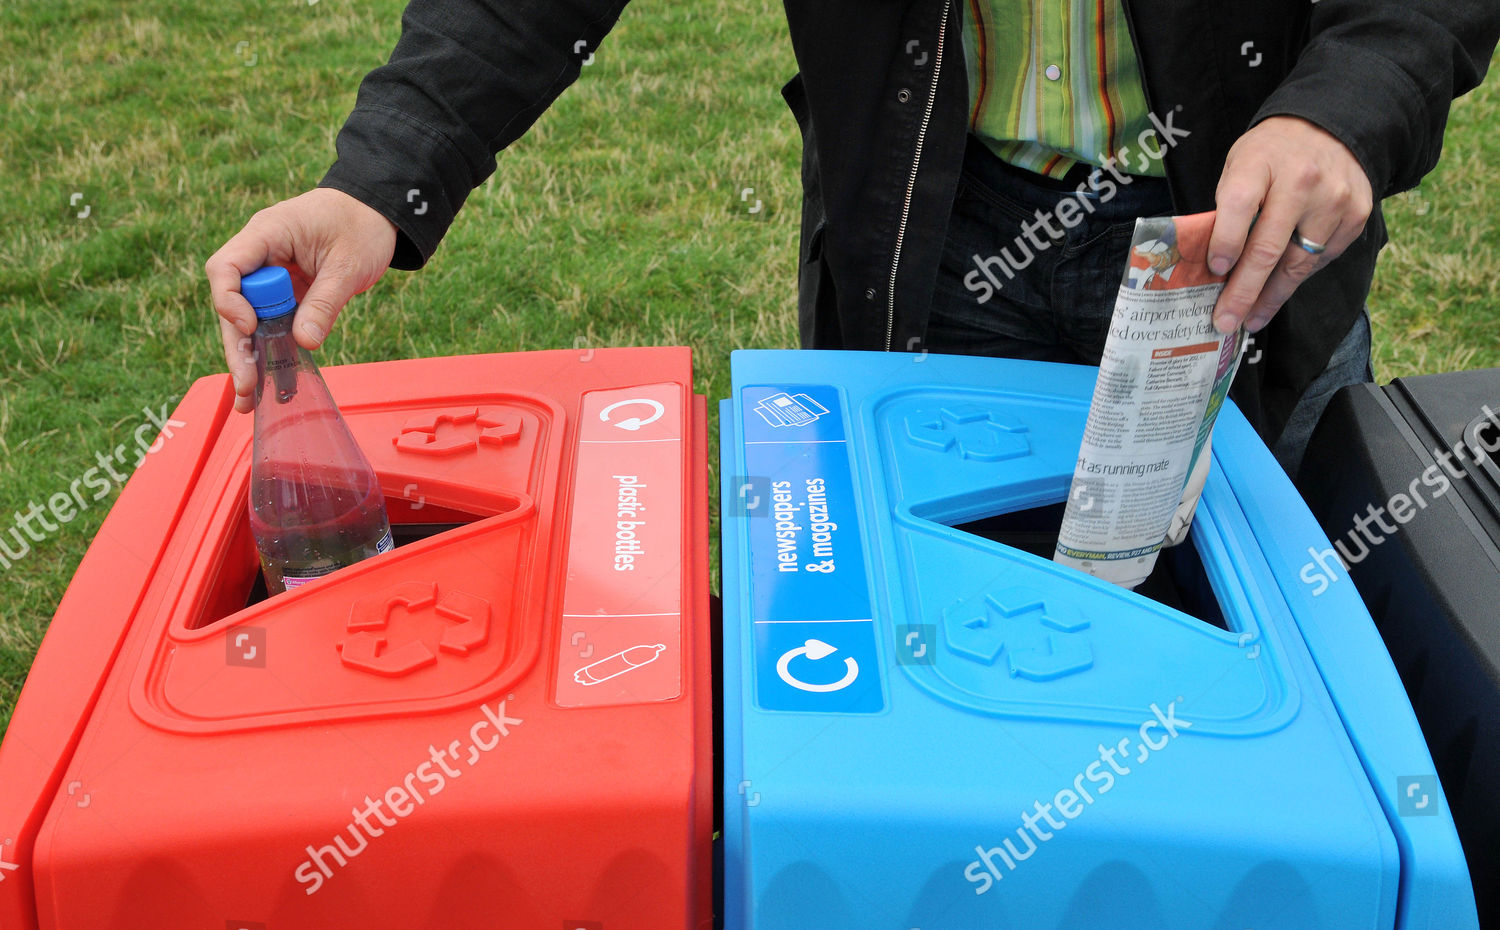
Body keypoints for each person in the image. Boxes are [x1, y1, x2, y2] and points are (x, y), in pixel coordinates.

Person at [206, 0, 1498, 477]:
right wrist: (380, 181)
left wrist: (1343, 113)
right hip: (933, 242)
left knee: (1250, 687)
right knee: (946, 684)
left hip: (1235, 252)